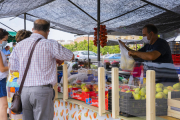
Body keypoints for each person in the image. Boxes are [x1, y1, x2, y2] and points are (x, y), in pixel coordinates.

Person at [9, 19, 74, 120]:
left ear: (33, 29)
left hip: (24, 90)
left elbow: (12, 69)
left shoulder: (19, 45)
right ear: (48, 31)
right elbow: (71, 56)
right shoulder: (50, 44)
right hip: (42, 91)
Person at [6, 30, 32, 120]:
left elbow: (11, 67)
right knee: (22, 111)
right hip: (20, 83)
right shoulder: (24, 51)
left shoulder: (15, 50)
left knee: (15, 109)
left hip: (12, 83)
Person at [0, 28, 9, 120]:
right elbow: (2, 69)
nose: (6, 42)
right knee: (4, 105)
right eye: (5, 40)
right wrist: (12, 66)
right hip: (1, 80)